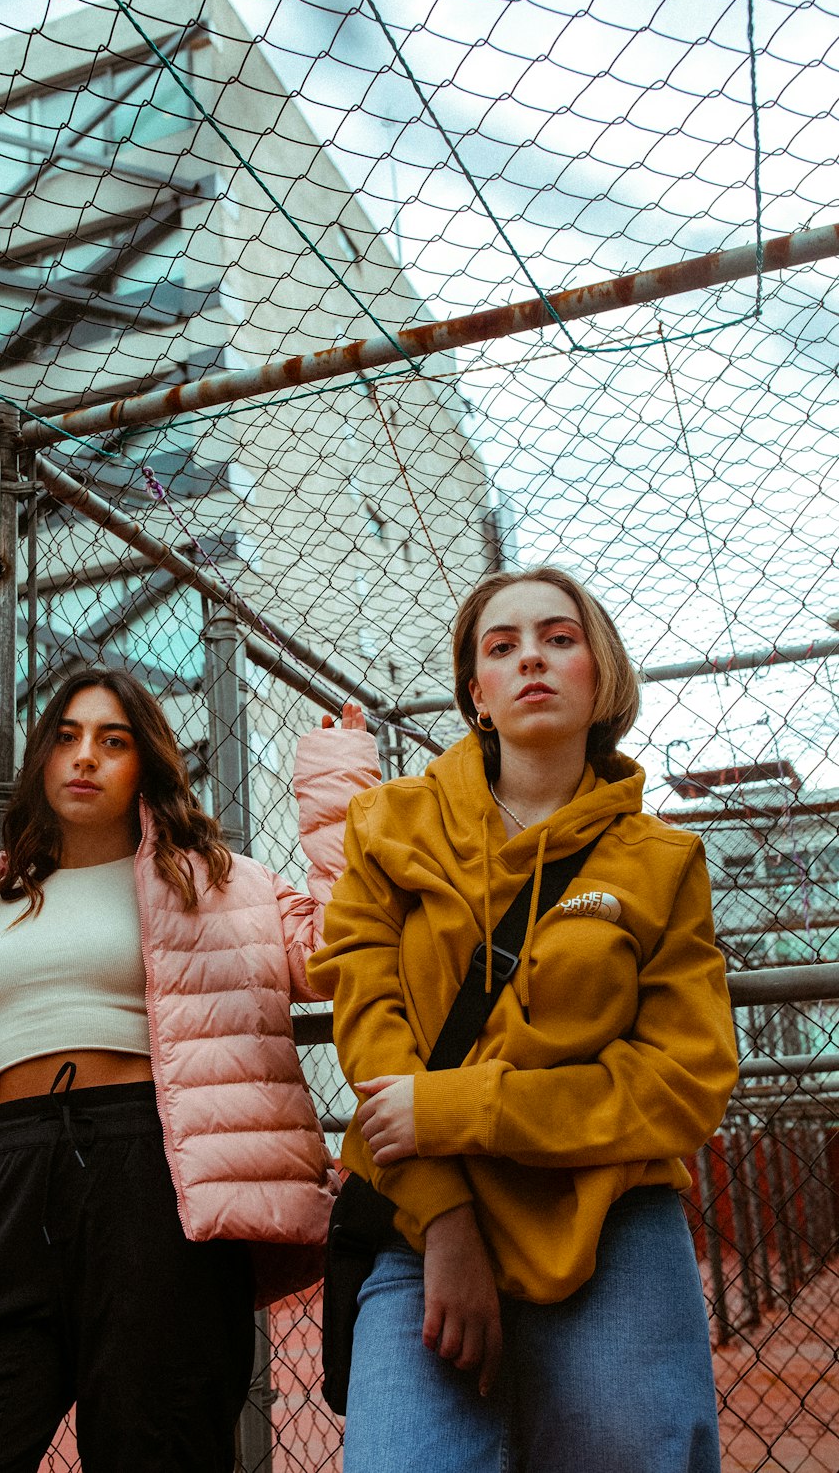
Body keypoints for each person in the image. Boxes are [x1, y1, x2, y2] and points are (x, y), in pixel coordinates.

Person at [0, 667, 380, 1473]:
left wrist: (341, 790)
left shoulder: (227, 888)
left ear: (147, 765)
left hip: (156, 1183)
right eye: (66, 736)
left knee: (157, 1450)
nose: (84, 757)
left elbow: (349, 951)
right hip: (2, 1185)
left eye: (112, 741)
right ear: (41, 760)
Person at [307, 567, 738, 1473]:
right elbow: (367, 1010)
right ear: (478, 694)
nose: (531, 657)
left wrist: (465, 1109)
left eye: (559, 638)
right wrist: (448, 1221)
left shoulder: (662, 861)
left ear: (600, 675)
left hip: (607, 1214)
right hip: (423, 1212)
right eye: (501, 647)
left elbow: (683, 1082)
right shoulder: (391, 824)